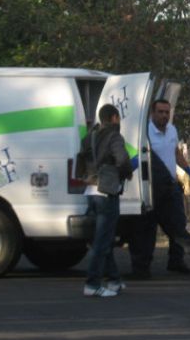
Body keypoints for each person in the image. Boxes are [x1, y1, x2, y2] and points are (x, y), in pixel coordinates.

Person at [127, 99, 190, 279]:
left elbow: (175, 152)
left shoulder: (172, 130)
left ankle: (176, 261)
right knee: (147, 229)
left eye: (167, 112)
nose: (164, 115)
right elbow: (138, 156)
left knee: (178, 223)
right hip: (151, 187)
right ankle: (142, 268)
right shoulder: (145, 132)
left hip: (171, 186)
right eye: (160, 112)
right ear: (152, 113)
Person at [82, 104, 133, 298]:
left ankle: (114, 280)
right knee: (102, 242)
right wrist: (126, 174)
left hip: (90, 190)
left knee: (104, 238)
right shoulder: (114, 136)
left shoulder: (90, 136)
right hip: (107, 192)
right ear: (114, 118)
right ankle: (92, 284)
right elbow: (123, 159)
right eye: (118, 118)